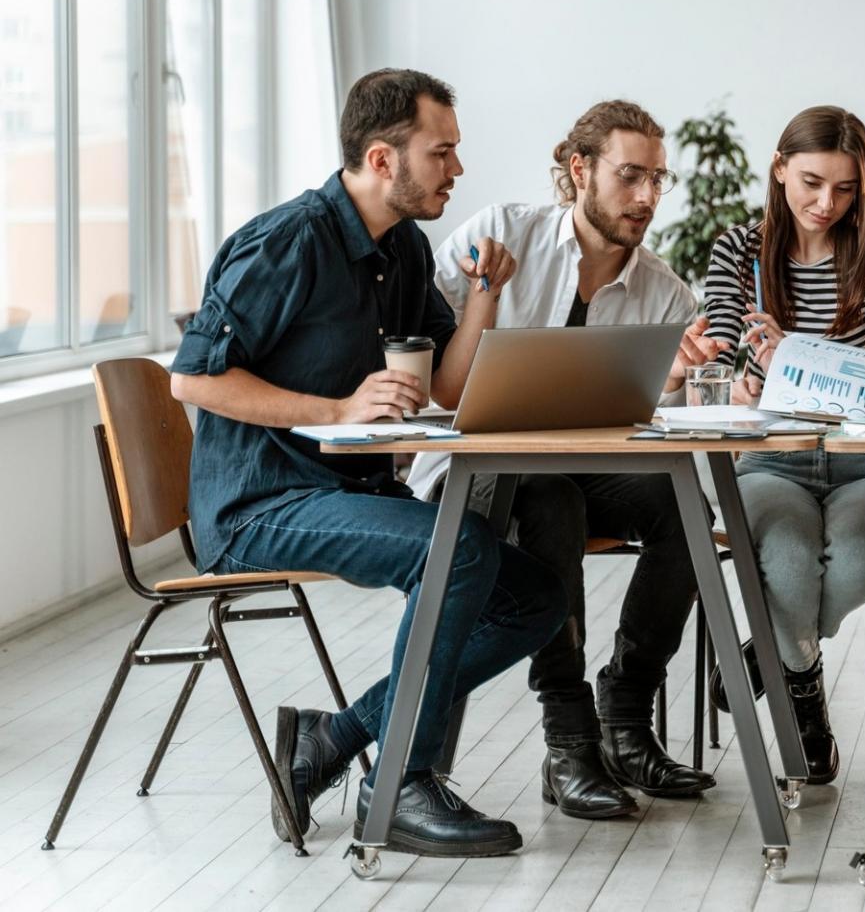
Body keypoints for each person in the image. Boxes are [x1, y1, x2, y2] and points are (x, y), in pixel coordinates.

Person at [169, 69, 567, 857]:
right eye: (442, 152)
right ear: (384, 159)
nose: (456, 169)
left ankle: (333, 739)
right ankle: (403, 785)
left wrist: (486, 295)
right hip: (259, 503)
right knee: (454, 549)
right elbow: (194, 377)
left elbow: (447, 386)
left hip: (340, 492)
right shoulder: (286, 242)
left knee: (536, 597)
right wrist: (337, 409)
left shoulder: (406, 250)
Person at [406, 100, 725, 820]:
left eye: (657, 180)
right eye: (629, 176)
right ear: (579, 169)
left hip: (582, 469)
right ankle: (569, 736)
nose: (646, 197)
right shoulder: (499, 235)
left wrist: (677, 384)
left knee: (686, 510)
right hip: (479, 476)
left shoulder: (665, 292)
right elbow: (416, 339)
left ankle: (626, 713)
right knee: (552, 502)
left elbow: (672, 426)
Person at [698, 105, 865, 782]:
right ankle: (806, 706)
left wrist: (788, 360)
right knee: (789, 563)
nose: (828, 203)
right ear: (778, 169)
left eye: (846, 188)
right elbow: (725, 369)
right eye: (812, 182)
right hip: (770, 459)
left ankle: (770, 652)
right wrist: (756, 373)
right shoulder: (738, 251)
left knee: (856, 561)